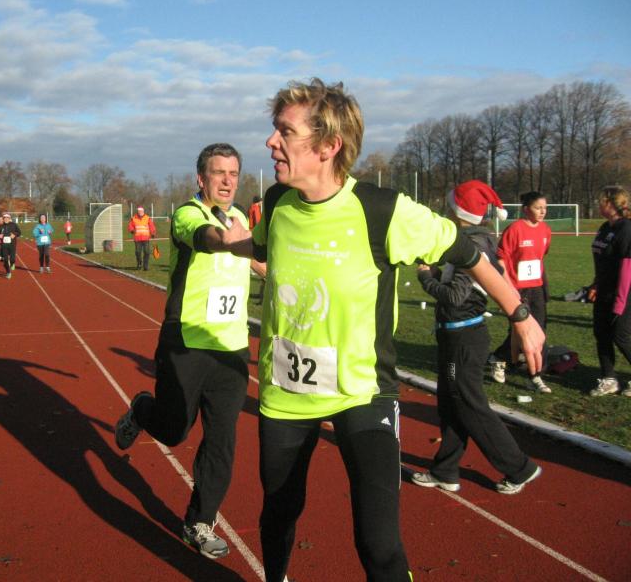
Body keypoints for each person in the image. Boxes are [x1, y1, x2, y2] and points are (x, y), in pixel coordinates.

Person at [216, 78, 544, 582]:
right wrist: (228, 243)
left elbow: (470, 256)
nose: (271, 142)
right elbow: (260, 248)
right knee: (279, 512)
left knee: (378, 541)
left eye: (285, 132)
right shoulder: (277, 201)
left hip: (363, 393)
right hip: (286, 394)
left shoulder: (383, 211)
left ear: (328, 146)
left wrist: (521, 317)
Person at [114, 143, 256, 560]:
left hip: (231, 349)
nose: (227, 181)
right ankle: (143, 410)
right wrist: (226, 238)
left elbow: (260, 261)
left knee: (222, 441)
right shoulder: (187, 214)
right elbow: (205, 237)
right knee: (175, 431)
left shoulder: (241, 218)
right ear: (201, 178)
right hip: (186, 343)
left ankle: (199, 521)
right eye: (219, 173)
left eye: (233, 173)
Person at [413, 180, 542, 497]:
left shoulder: (470, 246)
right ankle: (445, 470)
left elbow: (454, 296)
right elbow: (461, 287)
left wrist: (425, 277)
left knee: (468, 403)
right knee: (450, 402)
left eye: (449, 205)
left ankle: (520, 467)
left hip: (463, 338)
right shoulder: (470, 240)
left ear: (457, 211)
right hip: (456, 335)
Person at [489, 191, 552, 393]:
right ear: (526, 209)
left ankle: (534, 374)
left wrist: (542, 285)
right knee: (519, 331)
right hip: (517, 288)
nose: (542, 211)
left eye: (544, 208)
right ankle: (502, 359)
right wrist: (509, 286)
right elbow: (500, 260)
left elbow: (540, 258)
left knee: (539, 330)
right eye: (538, 208)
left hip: (537, 287)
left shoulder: (545, 230)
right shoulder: (515, 229)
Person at [589, 186, 631, 397]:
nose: (599, 204)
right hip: (604, 291)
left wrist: (620, 300)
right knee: (601, 333)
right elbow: (601, 260)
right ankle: (609, 378)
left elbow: (627, 267)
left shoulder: (626, 228)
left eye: (602, 201)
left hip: (624, 293)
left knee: (620, 335)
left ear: (612, 204)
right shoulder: (605, 227)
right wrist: (596, 284)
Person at [128, 206, 157, 271]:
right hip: (137, 238)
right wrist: (132, 230)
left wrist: (153, 233)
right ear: (137, 211)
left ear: (143, 211)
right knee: (138, 252)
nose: (140, 212)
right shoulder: (133, 218)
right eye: (139, 211)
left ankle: (145, 266)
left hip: (146, 238)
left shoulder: (147, 218)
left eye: (141, 211)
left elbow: (151, 226)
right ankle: (139, 263)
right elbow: (130, 225)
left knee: (147, 252)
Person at [0, 212, 21, 279]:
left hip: (12, 245)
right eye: (5, 218)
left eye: (7, 218)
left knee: (12, 259)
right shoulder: (1, 226)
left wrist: (14, 234)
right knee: (5, 260)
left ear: (9, 218)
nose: (6, 219)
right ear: (3, 219)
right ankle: (8, 272)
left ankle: (12, 264)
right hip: (4, 246)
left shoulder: (14, 225)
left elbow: (19, 232)